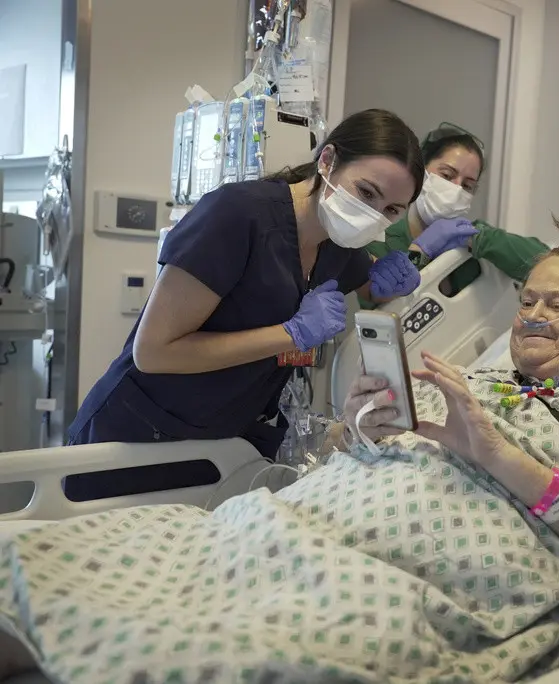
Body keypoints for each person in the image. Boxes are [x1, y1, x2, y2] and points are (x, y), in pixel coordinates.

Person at [0, 222, 559, 683]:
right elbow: (332, 456)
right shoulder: (471, 376)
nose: (530, 315)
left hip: (397, 583)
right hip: (279, 531)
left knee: (175, 645)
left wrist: (497, 452)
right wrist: (355, 424)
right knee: (37, 560)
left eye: (555, 304)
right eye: (527, 296)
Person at [65, 109, 425, 501]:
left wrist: (392, 279)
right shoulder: (237, 216)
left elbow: (367, 284)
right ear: (327, 161)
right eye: (366, 193)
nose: (373, 215)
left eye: (391, 210)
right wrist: (290, 334)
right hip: (138, 437)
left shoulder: (338, 244)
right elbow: (152, 352)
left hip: (225, 446)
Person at [359, 122, 549, 308]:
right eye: (447, 175)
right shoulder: (381, 235)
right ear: (420, 172)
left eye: (467, 185)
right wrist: (421, 251)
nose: (456, 189)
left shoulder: (474, 238)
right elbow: (376, 294)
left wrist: (478, 239)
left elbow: (546, 264)